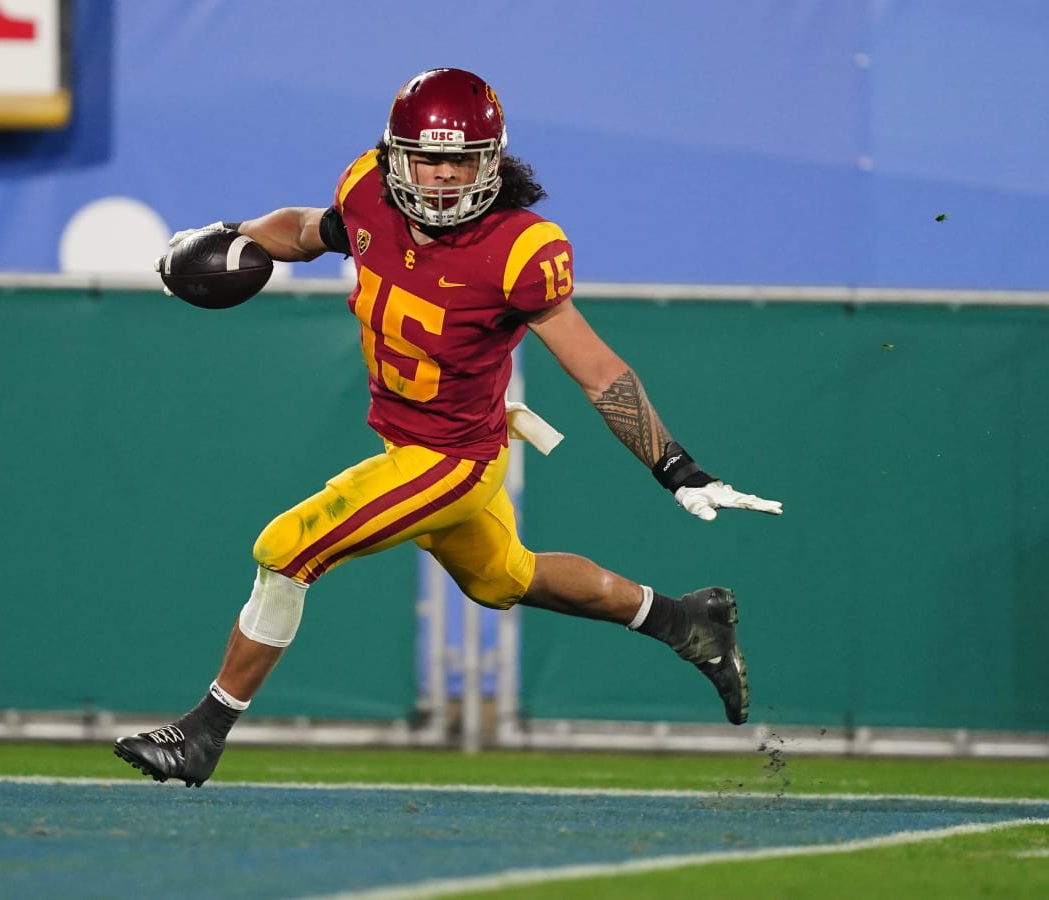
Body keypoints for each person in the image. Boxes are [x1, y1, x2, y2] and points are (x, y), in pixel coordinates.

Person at [115, 67, 782, 786]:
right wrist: (236, 235)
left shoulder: (522, 248)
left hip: (451, 460)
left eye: (459, 159)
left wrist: (675, 466)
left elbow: (598, 371)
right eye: (426, 157)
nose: (439, 176)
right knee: (505, 577)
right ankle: (688, 622)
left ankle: (203, 734)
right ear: (393, 154)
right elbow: (311, 230)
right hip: (406, 441)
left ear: (490, 161)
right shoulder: (368, 189)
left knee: (287, 548)